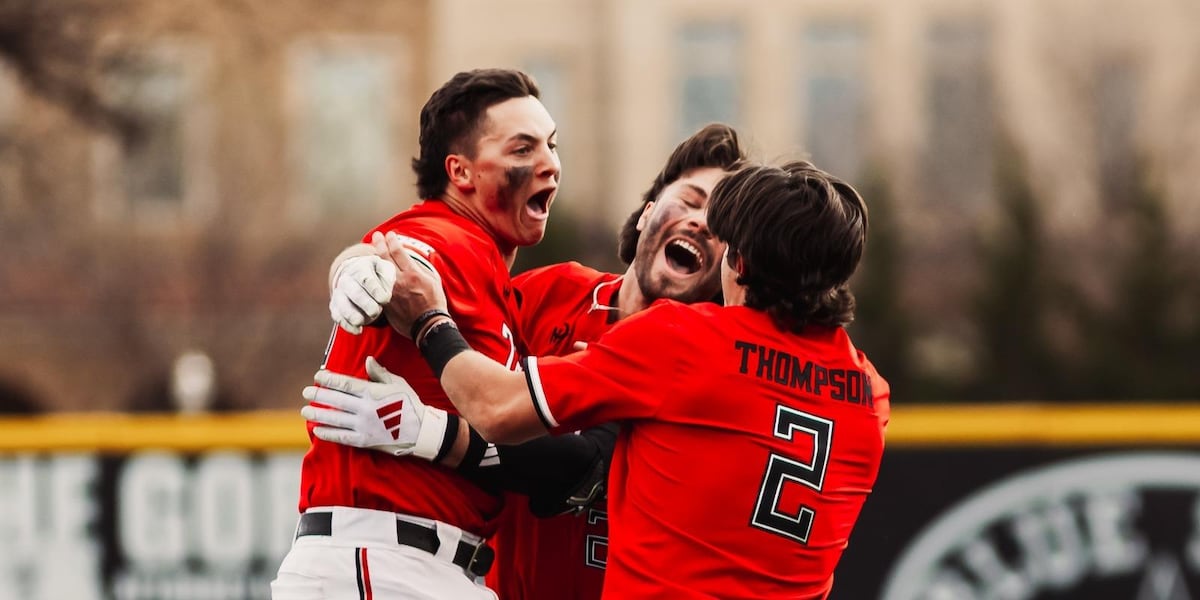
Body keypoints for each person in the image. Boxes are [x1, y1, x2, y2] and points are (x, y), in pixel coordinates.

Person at [318, 160, 890, 598]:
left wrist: (429, 321)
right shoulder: (870, 394)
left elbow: (496, 408)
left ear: (737, 263)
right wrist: (354, 263)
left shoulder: (687, 341)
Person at [305, 124, 749, 600]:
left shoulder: (707, 358)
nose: (703, 222)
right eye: (691, 200)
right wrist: (356, 265)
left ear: (732, 263)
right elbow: (423, 273)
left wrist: (429, 432)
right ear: (646, 214)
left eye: (722, 222)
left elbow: (578, 467)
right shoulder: (548, 294)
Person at [271, 68, 560, 600]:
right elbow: (396, 254)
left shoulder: (492, 269)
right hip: (388, 563)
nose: (549, 163)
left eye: (551, 144)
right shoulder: (448, 237)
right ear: (461, 172)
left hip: (407, 564)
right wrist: (356, 269)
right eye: (523, 149)